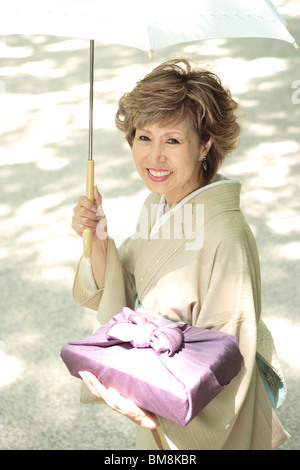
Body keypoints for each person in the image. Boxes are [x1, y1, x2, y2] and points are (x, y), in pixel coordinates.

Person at [71, 59, 289, 450]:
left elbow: (224, 362)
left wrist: (145, 405)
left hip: (184, 408)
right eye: (143, 137)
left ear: (206, 143)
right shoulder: (160, 205)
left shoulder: (226, 235)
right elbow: (128, 283)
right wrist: (98, 234)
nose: (154, 158)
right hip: (158, 382)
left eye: (172, 140)